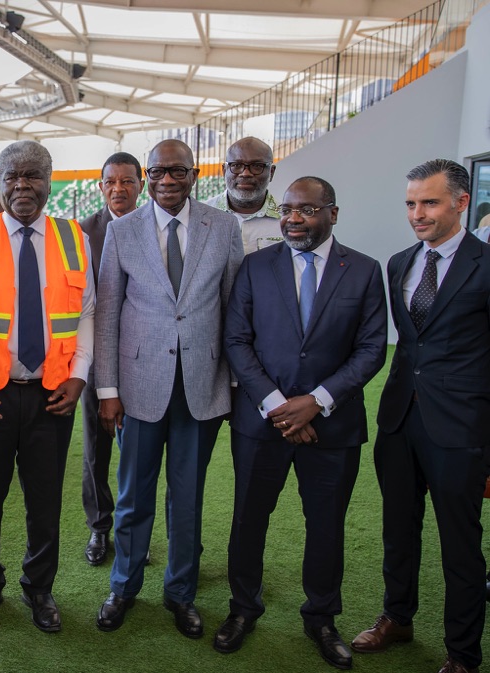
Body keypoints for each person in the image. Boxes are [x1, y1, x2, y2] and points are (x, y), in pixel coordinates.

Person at [218, 177, 388, 669]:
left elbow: (372, 348)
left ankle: (321, 619)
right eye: (289, 209)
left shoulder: (363, 270)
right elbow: (238, 341)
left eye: (307, 210)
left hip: (333, 427)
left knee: (326, 526)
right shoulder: (255, 267)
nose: (293, 219)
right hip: (262, 423)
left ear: (333, 213)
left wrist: (316, 402)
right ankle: (243, 609)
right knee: (249, 520)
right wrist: (278, 405)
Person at [0, 140, 95, 634]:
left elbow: (87, 312)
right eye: (12, 177)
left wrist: (79, 375)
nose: (22, 186)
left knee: (45, 499)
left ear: (49, 181)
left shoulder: (74, 237)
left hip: (53, 393)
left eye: (32, 176)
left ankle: (40, 587)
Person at [94, 139, 243, 636]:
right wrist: (107, 389)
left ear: (194, 174)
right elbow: (108, 314)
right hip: (138, 388)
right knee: (134, 494)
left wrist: (235, 383)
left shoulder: (223, 226)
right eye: (157, 173)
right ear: (148, 176)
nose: (167, 181)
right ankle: (124, 587)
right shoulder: (122, 230)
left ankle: (181, 594)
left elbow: (234, 310)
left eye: (177, 172)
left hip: (202, 385)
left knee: (188, 495)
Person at [351, 159, 490, 673]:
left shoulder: (486, 263)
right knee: (397, 528)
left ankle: (462, 653)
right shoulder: (399, 262)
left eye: (429, 202)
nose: (417, 213)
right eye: (411, 203)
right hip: (399, 420)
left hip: (461, 427)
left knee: (460, 545)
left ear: (461, 202)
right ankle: (397, 617)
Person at [78, 151, 144, 567]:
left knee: (141, 451)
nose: (118, 189)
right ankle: (100, 527)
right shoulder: (82, 233)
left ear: (141, 184)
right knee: (96, 449)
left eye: (127, 181)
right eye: (110, 182)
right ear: (101, 187)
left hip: (144, 360)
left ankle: (135, 529)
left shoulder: (152, 227)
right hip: (94, 361)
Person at [206, 137, 282, 255]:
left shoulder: (288, 220)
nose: (245, 174)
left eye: (257, 166)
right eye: (236, 165)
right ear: (224, 170)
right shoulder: (201, 216)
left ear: (271, 172)